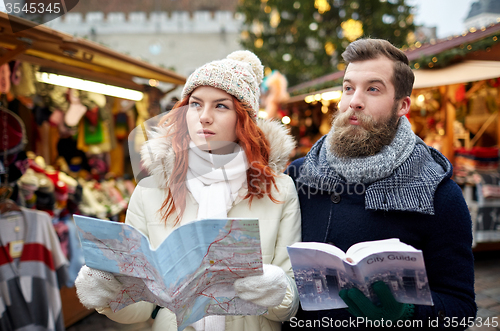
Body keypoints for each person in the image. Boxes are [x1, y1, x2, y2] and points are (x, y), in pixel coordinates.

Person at [74, 50, 301, 331]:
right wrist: (110, 294)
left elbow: (289, 305)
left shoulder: (279, 190)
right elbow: (142, 308)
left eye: (221, 106)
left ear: (244, 119)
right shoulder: (150, 190)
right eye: (195, 104)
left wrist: (275, 290)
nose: (204, 117)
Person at [283, 38, 476, 330]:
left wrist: (408, 314)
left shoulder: (439, 194)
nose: (354, 101)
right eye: (348, 87)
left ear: (403, 105)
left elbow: (460, 309)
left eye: (373, 89)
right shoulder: (297, 175)